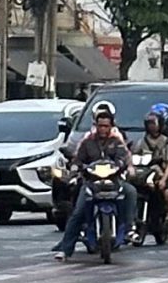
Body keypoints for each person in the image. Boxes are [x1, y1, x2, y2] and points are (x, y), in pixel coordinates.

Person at [55, 101, 134, 260]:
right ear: (95, 125)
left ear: (111, 126)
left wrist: (124, 166)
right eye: (100, 126)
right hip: (91, 183)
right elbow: (77, 159)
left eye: (106, 126)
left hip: (114, 182)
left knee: (131, 192)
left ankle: (130, 229)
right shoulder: (87, 141)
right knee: (78, 213)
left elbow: (124, 157)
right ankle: (65, 249)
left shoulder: (117, 141)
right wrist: (76, 167)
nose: (102, 129)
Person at [136, 106, 168, 245]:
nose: (152, 127)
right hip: (146, 173)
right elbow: (135, 156)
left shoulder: (166, 141)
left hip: (161, 174)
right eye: (149, 123)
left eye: (154, 123)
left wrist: (163, 179)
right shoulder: (142, 141)